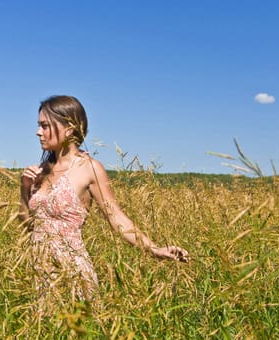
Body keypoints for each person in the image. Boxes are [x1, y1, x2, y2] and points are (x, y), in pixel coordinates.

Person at [19, 95, 188, 307]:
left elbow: (116, 217)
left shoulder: (89, 168)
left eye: (44, 126)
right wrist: (25, 188)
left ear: (69, 128)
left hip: (73, 271)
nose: (38, 132)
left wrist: (154, 249)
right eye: (38, 126)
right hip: (41, 272)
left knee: (79, 336)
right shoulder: (39, 171)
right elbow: (28, 226)